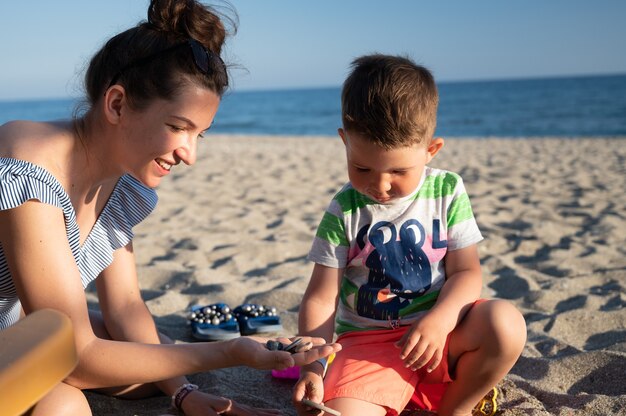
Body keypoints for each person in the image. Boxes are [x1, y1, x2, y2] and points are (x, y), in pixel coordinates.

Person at [0, 1, 340, 415]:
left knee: (149, 357)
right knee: (68, 402)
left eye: (200, 134)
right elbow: (79, 358)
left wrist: (183, 394)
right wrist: (231, 352)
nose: (189, 154)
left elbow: (125, 306)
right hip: (25, 340)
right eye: (178, 127)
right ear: (117, 104)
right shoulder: (30, 171)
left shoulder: (120, 178)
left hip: (18, 331)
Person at [292, 54, 526, 416]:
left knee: (504, 323)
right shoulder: (345, 209)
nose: (380, 185)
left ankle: (454, 408)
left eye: (399, 170)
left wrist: (442, 319)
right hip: (368, 346)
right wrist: (312, 365)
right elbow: (322, 299)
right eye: (362, 167)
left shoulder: (447, 190)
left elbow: (466, 273)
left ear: (430, 150)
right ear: (345, 142)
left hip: (441, 334)